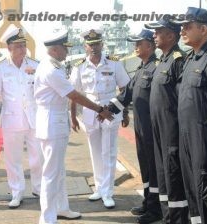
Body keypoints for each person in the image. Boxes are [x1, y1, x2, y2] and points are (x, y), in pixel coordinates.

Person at [34, 30, 113, 224]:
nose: (67, 52)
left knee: (58, 170)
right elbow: (74, 95)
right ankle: (47, 218)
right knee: (51, 173)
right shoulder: (50, 70)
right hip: (52, 123)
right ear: (54, 49)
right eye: (64, 48)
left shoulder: (54, 66)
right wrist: (100, 109)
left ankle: (61, 208)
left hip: (56, 122)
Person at [170, 7, 207, 224]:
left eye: (187, 26)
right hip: (186, 138)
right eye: (182, 26)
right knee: (192, 191)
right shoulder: (189, 60)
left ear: (204, 29)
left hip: (206, 141)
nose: (182, 30)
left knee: (206, 193)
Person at [70, 29, 130, 209]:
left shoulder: (114, 63)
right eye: (90, 44)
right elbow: (73, 93)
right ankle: (99, 188)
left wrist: (124, 113)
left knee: (109, 152)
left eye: (96, 43)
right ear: (85, 46)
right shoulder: (79, 66)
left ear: (102, 44)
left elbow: (125, 89)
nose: (93, 47)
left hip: (111, 110)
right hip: (90, 112)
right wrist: (72, 117)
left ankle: (108, 192)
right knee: (95, 152)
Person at [107, 29, 162, 223]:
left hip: (154, 129)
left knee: (155, 170)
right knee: (146, 168)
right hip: (141, 129)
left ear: (150, 45)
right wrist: (107, 110)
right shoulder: (142, 68)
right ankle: (148, 202)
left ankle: (156, 210)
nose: (135, 47)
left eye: (139, 43)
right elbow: (126, 94)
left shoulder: (157, 67)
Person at [0, 24, 43, 209]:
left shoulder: (35, 65)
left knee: (38, 157)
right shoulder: (0, 69)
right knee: (13, 159)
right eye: (18, 45)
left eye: (23, 45)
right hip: (11, 120)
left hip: (34, 119)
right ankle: (17, 193)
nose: (22, 49)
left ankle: (39, 189)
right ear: (9, 48)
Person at [144, 16, 188, 223]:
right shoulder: (162, 60)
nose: (154, 35)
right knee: (162, 175)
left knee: (173, 175)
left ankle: (178, 218)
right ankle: (167, 216)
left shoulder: (178, 60)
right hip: (159, 131)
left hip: (172, 131)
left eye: (158, 31)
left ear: (171, 35)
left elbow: (182, 100)